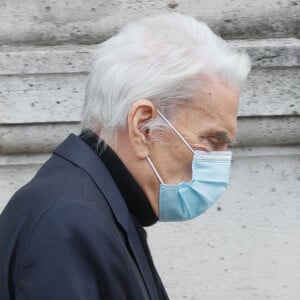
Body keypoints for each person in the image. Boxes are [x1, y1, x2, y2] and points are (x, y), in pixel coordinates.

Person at [0, 13, 251, 300]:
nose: (222, 160)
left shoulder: (100, 206)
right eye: (212, 140)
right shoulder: (70, 221)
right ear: (143, 127)